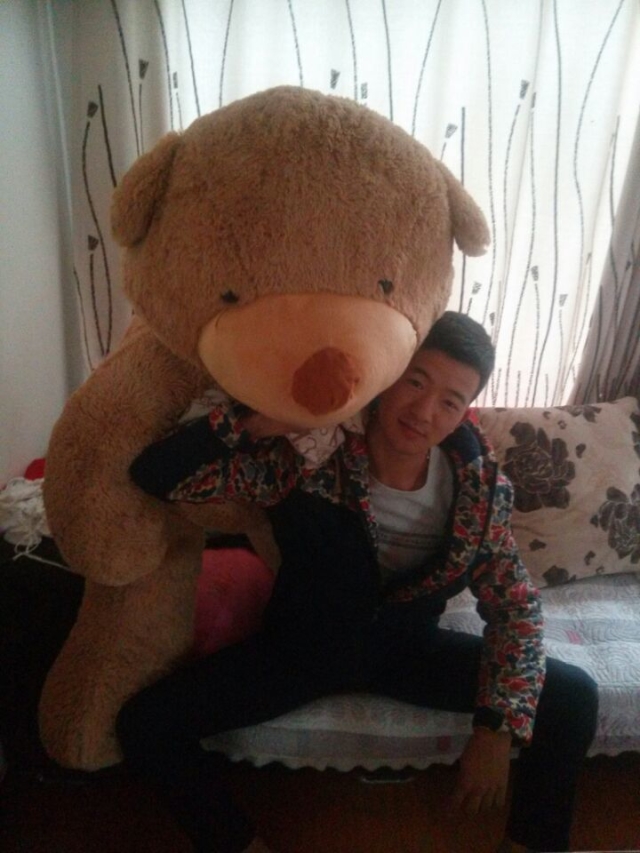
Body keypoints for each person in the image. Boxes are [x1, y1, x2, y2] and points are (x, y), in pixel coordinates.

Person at [117, 312, 598, 853]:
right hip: (299, 649)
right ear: (387, 376)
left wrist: (496, 727)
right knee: (145, 723)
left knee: (573, 697)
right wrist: (251, 422)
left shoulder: (479, 491)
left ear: (466, 410)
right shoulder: (311, 456)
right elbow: (156, 476)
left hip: (407, 652)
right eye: (415, 382)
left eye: (450, 401)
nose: (423, 412)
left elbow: (514, 607)